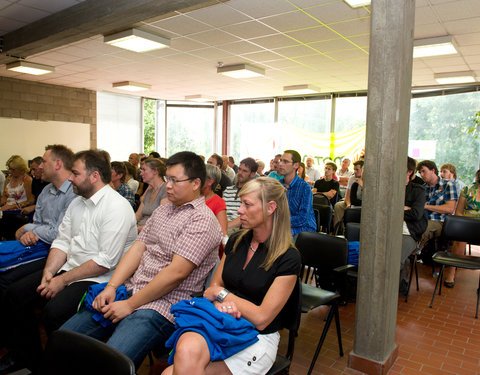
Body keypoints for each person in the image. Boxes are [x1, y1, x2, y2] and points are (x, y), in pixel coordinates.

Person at [61, 151, 222, 368]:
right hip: (132, 289)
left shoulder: (202, 220)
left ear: (196, 184)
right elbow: (137, 248)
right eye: (168, 179)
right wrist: (111, 286)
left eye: (175, 180)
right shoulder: (163, 211)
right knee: (65, 339)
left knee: (111, 362)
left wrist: (129, 305)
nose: (169, 185)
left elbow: (176, 274)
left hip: (164, 305)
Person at [0, 149, 137, 373]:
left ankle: (62, 363)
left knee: (53, 312)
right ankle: (30, 359)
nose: (70, 177)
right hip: (70, 268)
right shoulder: (78, 203)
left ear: (94, 176)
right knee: (16, 294)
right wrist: (49, 272)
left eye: (75, 173)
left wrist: (61, 281)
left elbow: (104, 261)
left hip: (99, 278)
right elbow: (62, 242)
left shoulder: (117, 207)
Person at [161, 177, 301, 375]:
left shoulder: (288, 257)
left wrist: (223, 295)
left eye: (247, 204)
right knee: (185, 351)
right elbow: (211, 290)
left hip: (257, 336)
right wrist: (221, 298)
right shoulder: (236, 241)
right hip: (222, 321)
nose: (239, 210)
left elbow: (261, 318)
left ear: (271, 208)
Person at [0, 145, 76, 291]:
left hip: (59, 252)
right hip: (39, 244)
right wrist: (31, 233)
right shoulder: (46, 191)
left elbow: (58, 234)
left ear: (58, 164)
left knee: (10, 283)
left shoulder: (73, 193)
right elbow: (38, 223)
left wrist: (28, 228)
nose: (40, 166)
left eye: (44, 161)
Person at [443, 169, 480, 287]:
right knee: (460, 237)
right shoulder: (468, 189)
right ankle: (451, 273)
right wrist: (468, 226)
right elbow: (458, 212)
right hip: (468, 226)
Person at [399, 157, 427, 294]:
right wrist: (404, 208)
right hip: (388, 231)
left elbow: (416, 214)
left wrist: (396, 210)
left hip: (408, 233)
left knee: (394, 258)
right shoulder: (388, 188)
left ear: (409, 172)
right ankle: (401, 283)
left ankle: (388, 293)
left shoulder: (418, 190)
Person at [416, 160, 457, 246]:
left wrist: (426, 206)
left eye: (424, 171)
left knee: (420, 230)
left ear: (433, 170)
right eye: (420, 172)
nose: (421, 175)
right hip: (422, 219)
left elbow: (450, 209)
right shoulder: (422, 188)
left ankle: (413, 253)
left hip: (439, 221)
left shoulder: (447, 185)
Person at [277, 150, 316, 240]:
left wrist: (279, 222)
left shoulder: (304, 187)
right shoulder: (277, 185)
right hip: (283, 227)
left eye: (285, 161)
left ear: (296, 165)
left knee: (278, 240)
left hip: (303, 230)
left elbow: (302, 219)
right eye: (281, 160)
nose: (281, 164)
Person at [0, 155, 35, 240]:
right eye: (9, 168)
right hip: (6, 209)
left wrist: (12, 206)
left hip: (19, 210)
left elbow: (30, 200)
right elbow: (4, 197)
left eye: (12, 169)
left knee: (7, 220)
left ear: (20, 169)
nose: (10, 171)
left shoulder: (27, 180)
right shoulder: (8, 178)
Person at [224, 158, 258, 233]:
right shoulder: (228, 190)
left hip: (238, 229)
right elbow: (221, 211)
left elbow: (246, 216)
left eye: (244, 171)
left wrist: (224, 227)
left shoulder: (253, 193)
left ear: (252, 174)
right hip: (222, 224)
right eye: (239, 169)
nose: (240, 173)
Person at [136, 158, 167, 232]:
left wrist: (135, 229)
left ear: (155, 171)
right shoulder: (150, 191)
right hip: (139, 230)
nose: (141, 173)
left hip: (150, 234)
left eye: (144, 170)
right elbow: (137, 216)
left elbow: (160, 222)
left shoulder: (165, 190)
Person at [333, 160, 364, 230]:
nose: (355, 172)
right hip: (351, 201)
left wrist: (362, 186)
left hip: (361, 203)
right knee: (338, 206)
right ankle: (337, 229)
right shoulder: (352, 179)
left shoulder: (367, 180)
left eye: (357, 170)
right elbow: (347, 195)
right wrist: (348, 204)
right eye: (354, 169)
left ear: (363, 170)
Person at [203, 164, 228, 239]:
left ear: (210, 182)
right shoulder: (191, 197)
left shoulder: (218, 202)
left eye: (201, 177)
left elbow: (223, 233)